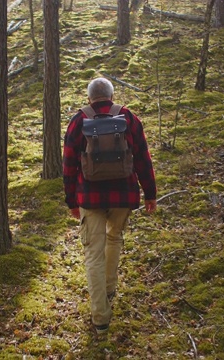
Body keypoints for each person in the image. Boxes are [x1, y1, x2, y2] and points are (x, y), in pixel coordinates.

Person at [63, 77, 157, 334]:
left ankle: (100, 317)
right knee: (114, 239)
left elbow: (69, 165)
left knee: (93, 254)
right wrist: (150, 194)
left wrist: (71, 200)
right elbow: (143, 159)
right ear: (112, 96)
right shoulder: (128, 119)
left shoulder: (78, 122)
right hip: (122, 195)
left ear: (89, 98)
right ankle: (109, 289)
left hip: (89, 198)